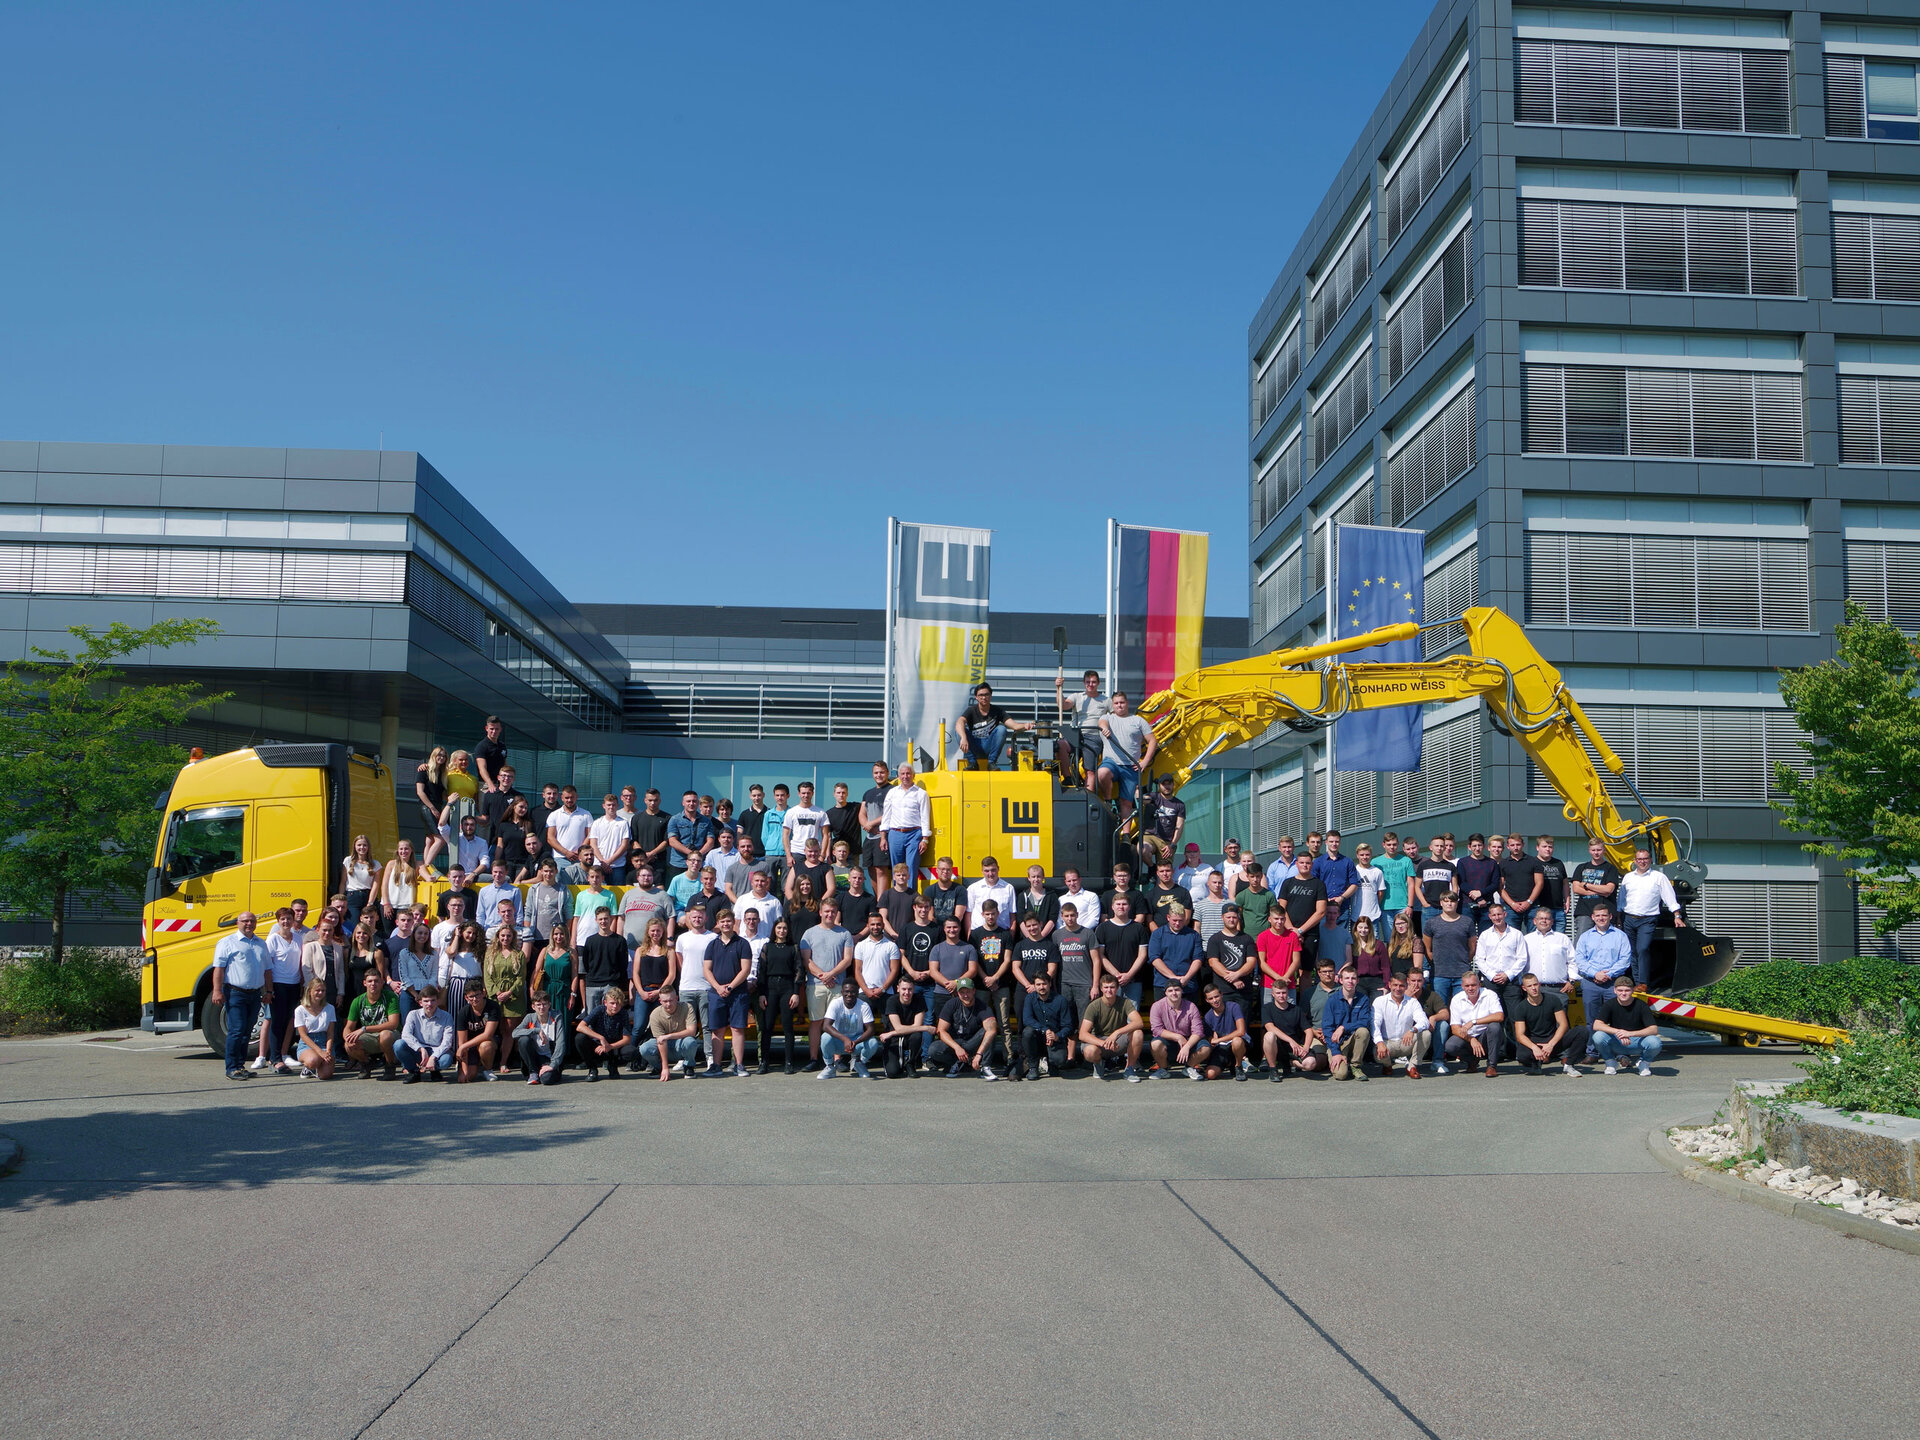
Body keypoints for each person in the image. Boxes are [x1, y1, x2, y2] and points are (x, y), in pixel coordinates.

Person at [1573, 904, 1634, 1061]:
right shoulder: (1585, 936)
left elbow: (1625, 959)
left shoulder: (1620, 936)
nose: (1601, 918)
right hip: (1590, 983)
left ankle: (1620, 1052)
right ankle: (1592, 1052)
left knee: (1617, 1018)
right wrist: (1595, 974)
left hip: (1613, 983)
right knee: (1591, 1020)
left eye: (1604, 915)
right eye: (1598, 916)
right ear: (1593, 918)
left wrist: (1609, 974)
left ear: (1610, 917)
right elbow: (1579, 959)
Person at [1618, 848, 1684, 987]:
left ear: (1650, 860)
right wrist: (1618, 917)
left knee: (1643, 949)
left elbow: (1669, 897)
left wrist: (1677, 915)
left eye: (1645, 859)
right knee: (1632, 952)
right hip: (1628, 918)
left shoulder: (1659, 877)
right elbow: (1621, 899)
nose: (1642, 862)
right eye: (1639, 859)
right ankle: (1636, 983)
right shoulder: (1628, 877)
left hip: (1647, 920)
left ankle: (1643, 983)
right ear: (1635, 861)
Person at [702, 908, 755, 1077]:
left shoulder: (743, 944)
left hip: (738, 993)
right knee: (717, 1030)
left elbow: (745, 969)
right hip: (716, 993)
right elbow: (706, 970)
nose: (726, 924)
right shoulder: (712, 944)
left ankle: (739, 1065)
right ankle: (716, 1066)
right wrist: (718, 987)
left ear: (734, 923)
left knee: (737, 1029)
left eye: (728, 921)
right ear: (718, 924)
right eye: (722, 921)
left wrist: (730, 986)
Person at [1204, 903, 1259, 1058]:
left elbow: (1251, 962)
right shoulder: (1215, 939)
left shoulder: (1246, 938)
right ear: (1223, 918)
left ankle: (1242, 1058)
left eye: (1234, 917)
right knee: (1223, 1025)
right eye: (1228, 917)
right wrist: (1233, 979)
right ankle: (1223, 1057)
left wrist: (1237, 974)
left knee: (1242, 1027)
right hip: (1223, 991)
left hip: (1243, 992)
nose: (1231, 920)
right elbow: (1213, 962)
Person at [1095, 690, 1155, 823]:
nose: (1119, 705)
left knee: (1126, 803)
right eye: (1116, 703)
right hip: (1112, 762)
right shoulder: (1107, 718)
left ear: (1127, 703)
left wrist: (1144, 762)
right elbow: (1101, 723)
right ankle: (1108, 801)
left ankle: (1126, 836)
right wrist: (1104, 729)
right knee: (1102, 773)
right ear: (1113, 705)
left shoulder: (1138, 721)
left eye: (1122, 702)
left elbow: (1152, 741)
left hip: (1130, 766)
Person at [1511, 971, 1586, 1076]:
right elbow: (1520, 1035)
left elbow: (1563, 1025)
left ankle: (1569, 1064)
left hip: (1553, 1040)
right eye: (1530, 986)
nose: (1533, 988)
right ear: (1524, 988)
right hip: (1535, 1041)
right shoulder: (1521, 1007)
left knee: (1582, 1031)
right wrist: (1534, 1048)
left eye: (1535, 984)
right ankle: (1535, 1064)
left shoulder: (1553, 1000)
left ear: (1539, 985)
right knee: (1522, 1055)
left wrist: (1551, 1044)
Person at [755, 915, 804, 1073]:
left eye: (784, 928)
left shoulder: (793, 947)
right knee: (766, 1026)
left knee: (787, 1026)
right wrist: (761, 994)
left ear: (788, 930)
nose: (782, 931)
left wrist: (796, 993)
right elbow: (761, 972)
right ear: (774, 929)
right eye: (779, 928)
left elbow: (798, 970)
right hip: (769, 988)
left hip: (787, 988)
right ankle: (764, 1062)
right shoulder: (767, 947)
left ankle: (789, 1062)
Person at [673, 903, 718, 1067]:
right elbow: (680, 962)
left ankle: (709, 1057)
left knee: (707, 1025)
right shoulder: (682, 938)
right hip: (686, 987)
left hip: (706, 987)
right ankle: (684, 1057)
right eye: (694, 917)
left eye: (700, 917)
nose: (697, 919)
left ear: (705, 918)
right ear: (689, 919)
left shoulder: (713, 937)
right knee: (685, 1026)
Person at [1592, 975, 1664, 1076]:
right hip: (1617, 1040)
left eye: (1627, 990)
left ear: (1632, 991)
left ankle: (1644, 1063)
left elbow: (1654, 1029)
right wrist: (1619, 1032)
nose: (1623, 993)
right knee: (1598, 1036)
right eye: (1620, 990)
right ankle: (1610, 1062)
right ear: (1615, 991)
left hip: (1636, 1041)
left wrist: (1630, 1033)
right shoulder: (1609, 1004)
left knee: (1655, 1042)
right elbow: (1596, 1025)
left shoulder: (1642, 1005)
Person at [930, 977, 1000, 1080]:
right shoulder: (951, 1004)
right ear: (958, 993)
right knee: (933, 1049)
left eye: (968, 992)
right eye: (962, 992)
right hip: (956, 1042)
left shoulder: (982, 1006)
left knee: (990, 1031)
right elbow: (940, 1030)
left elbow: (992, 1029)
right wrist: (957, 1048)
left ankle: (985, 1067)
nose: (965, 995)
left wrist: (979, 1054)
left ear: (974, 991)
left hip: (973, 1043)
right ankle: (957, 1063)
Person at [1078, 974, 1144, 1081]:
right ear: (1101, 989)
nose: (1109, 990)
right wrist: (1103, 1043)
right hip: (1099, 1041)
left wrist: (1116, 1033)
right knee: (1089, 1051)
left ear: (1117, 988)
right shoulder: (1093, 1006)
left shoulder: (1125, 1003)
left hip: (1117, 1041)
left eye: (1112, 987)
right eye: (1106, 987)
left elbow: (1139, 1022)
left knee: (1138, 1033)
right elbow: (1082, 1034)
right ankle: (1098, 1064)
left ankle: (1129, 1068)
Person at [954, 682, 1030, 770]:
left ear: (990, 696)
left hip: (989, 746)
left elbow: (1014, 725)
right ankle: (973, 763)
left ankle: (991, 763)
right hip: (974, 746)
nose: (984, 697)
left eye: (986, 694)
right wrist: (963, 737)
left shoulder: (997, 711)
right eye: (981, 695)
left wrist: (1025, 725)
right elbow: (960, 722)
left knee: (1001, 729)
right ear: (976, 697)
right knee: (959, 731)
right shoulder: (971, 710)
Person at [1369, 971, 1431, 1079]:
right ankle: (1387, 1065)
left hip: (1406, 1042)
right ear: (1389, 985)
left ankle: (1411, 1066)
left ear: (1406, 986)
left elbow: (1424, 1021)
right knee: (1377, 1053)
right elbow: (1374, 1024)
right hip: (1387, 1043)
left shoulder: (1413, 1002)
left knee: (1426, 1034)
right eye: (1395, 985)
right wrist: (1379, 1043)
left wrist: (1413, 1030)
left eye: (1402, 985)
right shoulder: (1379, 1001)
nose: (1398, 988)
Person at [1445, 970, 1506, 1078]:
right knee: (1451, 1046)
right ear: (1462, 986)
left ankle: (1492, 1066)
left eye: (1473, 985)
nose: (1470, 988)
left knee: (1495, 1027)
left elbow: (1499, 1016)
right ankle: (1472, 1061)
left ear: (1479, 984)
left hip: (1486, 1036)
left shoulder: (1490, 995)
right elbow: (1455, 1028)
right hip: (1467, 1038)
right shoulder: (1457, 999)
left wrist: (1473, 1022)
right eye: (1467, 985)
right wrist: (1471, 1039)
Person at [1474, 904, 1530, 1020]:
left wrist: (1507, 974)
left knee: (1515, 1017)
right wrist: (1492, 975)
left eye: (1499, 914)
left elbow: (1522, 958)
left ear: (1505, 914)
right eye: (1494, 915)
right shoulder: (1484, 935)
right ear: (1490, 916)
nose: (1497, 917)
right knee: (1493, 1016)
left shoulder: (1516, 934)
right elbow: (1479, 959)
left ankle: (1516, 1038)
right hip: (1491, 981)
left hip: (1511, 981)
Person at [343, 968, 401, 1079]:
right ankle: (366, 1064)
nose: (373, 984)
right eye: (370, 981)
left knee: (385, 1035)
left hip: (390, 1035)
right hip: (370, 1036)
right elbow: (348, 1027)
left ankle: (390, 1065)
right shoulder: (358, 1001)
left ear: (382, 982)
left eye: (376, 981)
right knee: (348, 1045)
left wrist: (364, 1029)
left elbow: (393, 1024)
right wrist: (347, 1038)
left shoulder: (390, 997)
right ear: (364, 983)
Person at [1319, 964, 1374, 1081]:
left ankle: (1356, 1066)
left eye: (1353, 978)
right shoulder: (1332, 1000)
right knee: (1341, 1075)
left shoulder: (1363, 999)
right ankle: (1341, 1061)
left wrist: (1343, 1027)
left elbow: (1365, 1022)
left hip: (1354, 1040)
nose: (1350, 981)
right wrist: (1335, 1052)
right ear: (1340, 980)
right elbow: (1327, 1029)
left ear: (1357, 980)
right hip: (1337, 1043)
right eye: (1347, 978)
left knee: (1363, 1032)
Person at [1422, 891, 1477, 1007]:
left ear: (1457, 903)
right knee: (1440, 1008)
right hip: (1439, 974)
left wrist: (1465, 960)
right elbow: (1427, 948)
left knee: (1463, 1007)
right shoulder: (1432, 923)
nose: (1449, 904)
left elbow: (1472, 947)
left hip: (1462, 974)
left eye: (1452, 901)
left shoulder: (1467, 922)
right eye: (1446, 901)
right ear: (1441, 903)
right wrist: (1434, 960)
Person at [879, 761, 932, 879]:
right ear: (898, 776)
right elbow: (886, 816)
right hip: (895, 834)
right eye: (902, 774)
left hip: (914, 834)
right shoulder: (892, 793)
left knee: (911, 867)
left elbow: (925, 816)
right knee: (896, 868)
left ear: (913, 775)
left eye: (908, 773)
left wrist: (925, 839)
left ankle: (911, 897)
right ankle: (896, 896)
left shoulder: (921, 794)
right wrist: (883, 837)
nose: (905, 776)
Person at [1055, 667, 1108, 782]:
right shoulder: (1077, 697)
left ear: (1098, 683)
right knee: (1060, 744)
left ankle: (1088, 797)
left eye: (1093, 682)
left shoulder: (1106, 700)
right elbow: (1063, 706)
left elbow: (1116, 717)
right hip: (1075, 733)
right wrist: (1058, 688)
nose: (1091, 684)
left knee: (1090, 770)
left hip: (1094, 736)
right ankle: (1067, 777)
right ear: (1084, 683)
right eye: (1088, 682)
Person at [820, 977, 880, 1079]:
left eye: (853, 992)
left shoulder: (863, 1006)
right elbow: (826, 1026)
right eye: (846, 991)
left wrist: (855, 1042)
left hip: (856, 1042)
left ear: (857, 992)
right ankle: (830, 1066)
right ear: (842, 991)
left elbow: (871, 1030)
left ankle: (859, 1063)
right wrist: (844, 1039)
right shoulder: (836, 1003)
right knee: (825, 1037)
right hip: (839, 1041)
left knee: (873, 1042)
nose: (849, 995)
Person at [1020, 971, 1076, 1079]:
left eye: (1044, 984)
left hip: (1054, 1039)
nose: (1041, 987)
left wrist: (1057, 1036)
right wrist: (1045, 1030)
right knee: (1027, 1032)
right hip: (1037, 1038)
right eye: (1038, 984)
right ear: (1034, 986)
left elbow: (1068, 1025)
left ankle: (1052, 1064)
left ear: (1050, 984)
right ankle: (1033, 1067)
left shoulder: (1061, 1000)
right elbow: (1027, 1019)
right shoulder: (1029, 999)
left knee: (1059, 1060)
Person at [1277, 853, 1327, 972]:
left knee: (1306, 971)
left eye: (1308, 863)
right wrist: (1291, 930)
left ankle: (1305, 992)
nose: (1305, 865)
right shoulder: (1287, 883)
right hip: (1287, 932)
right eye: (1302, 862)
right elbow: (1281, 909)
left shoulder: (1318, 884)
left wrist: (1300, 931)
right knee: (1285, 968)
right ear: (1296, 864)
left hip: (1310, 934)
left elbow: (1321, 912)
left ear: (1312, 865)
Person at [573, 987, 635, 1080]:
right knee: (580, 1038)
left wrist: (609, 1046)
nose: (615, 1006)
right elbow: (580, 1027)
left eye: (618, 1003)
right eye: (612, 1003)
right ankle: (592, 1069)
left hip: (613, 1047)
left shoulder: (623, 1013)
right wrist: (601, 1038)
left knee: (632, 1051)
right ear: (605, 1003)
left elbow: (627, 1039)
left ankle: (612, 1065)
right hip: (597, 1046)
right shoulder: (599, 1010)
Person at [577, 907, 628, 1019]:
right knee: (592, 1018)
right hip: (592, 984)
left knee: (611, 1017)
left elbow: (623, 964)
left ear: (610, 919)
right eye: (600, 919)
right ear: (596, 920)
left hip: (611, 984)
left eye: (606, 918)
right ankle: (593, 1037)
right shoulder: (590, 940)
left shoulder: (620, 941)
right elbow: (586, 963)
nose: (603, 921)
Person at [638, 986, 700, 1080]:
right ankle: (658, 1067)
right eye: (665, 1001)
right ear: (660, 1001)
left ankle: (688, 1066)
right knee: (644, 1048)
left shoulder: (687, 1007)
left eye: (671, 1000)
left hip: (681, 1043)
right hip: (663, 1044)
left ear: (676, 998)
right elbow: (661, 1041)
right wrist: (665, 1068)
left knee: (690, 1042)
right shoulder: (655, 1014)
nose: (668, 1004)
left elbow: (691, 1031)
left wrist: (669, 1036)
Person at [1147, 979, 1204, 1079]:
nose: (1174, 993)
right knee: (1155, 1044)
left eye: (1177, 990)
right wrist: (1178, 1037)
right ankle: (1163, 1069)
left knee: (1205, 1047)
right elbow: (1157, 1030)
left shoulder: (1191, 1006)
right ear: (1165, 993)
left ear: (1182, 991)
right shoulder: (1157, 1006)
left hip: (1188, 1040)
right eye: (1170, 990)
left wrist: (1187, 1046)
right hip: (1168, 1041)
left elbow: (1198, 1031)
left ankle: (1189, 1068)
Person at [397, 985, 456, 1082]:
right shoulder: (413, 1014)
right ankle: (414, 1072)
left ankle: (435, 1071)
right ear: (420, 1002)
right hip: (419, 1051)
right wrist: (420, 1049)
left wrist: (433, 1057)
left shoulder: (446, 1016)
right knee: (399, 1045)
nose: (429, 1004)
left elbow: (447, 1042)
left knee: (446, 1060)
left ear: (437, 1001)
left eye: (433, 1000)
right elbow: (406, 1035)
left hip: (437, 1051)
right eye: (426, 1001)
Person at [927, 914, 979, 1020]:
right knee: (943, 1024)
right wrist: (949, 985)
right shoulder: (937, 948)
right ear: (944, 929)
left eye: (955, 927)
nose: (952, 930)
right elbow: (933, 971)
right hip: (941, 993)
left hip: (963, 993)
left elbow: (973, 970)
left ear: (959, 928)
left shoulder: (969, 948)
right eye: (949, 927)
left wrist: (956, 983)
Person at [1148, 903, 1204, 998]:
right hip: (1163, 985)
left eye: (1181, 920)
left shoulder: (1193, 935)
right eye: (1174, 920)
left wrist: (1187, 977)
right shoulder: (1158, 934)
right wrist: (1173, 977)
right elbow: (1155, 959)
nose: (1177, 924)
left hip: (1188, 985)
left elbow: (1198, 959)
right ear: (1168, 917)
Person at [1053, 899, 1096, 1023]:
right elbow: (1054, 962)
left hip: (1084, 984)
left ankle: (1085, 1042)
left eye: (1072, 915)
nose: (1070, 918)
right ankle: (1068, 1043)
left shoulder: (1088, 933)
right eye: (1066, 916)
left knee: (1085, 1021)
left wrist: (1095, 985)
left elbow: (1096, 961)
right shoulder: (1057, 935)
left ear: (1077, 915)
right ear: (1062, 917)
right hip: (1064, 984)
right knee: (1067, 1021)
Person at [1569, 839, 1622, 939]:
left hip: (1605, 911)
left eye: (1599, 850)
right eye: (1593, 850)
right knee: (1582, 939)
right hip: (1584, 911)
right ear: (1589, 850)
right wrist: (1599, 890)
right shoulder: (1581, 867)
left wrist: (1586, 885)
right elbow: (1575, 888)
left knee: (1606, 940)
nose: (1596, 853)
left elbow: (1609, 889)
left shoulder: (1611, 868)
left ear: (1604, 850)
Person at [1197, 980, 1249, 1081]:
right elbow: (1210, 1039)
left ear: (1221, 995)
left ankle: (1238, 1067)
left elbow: (1241, 1031)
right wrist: (1212, 1040)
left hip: (1238, 1043)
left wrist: (1219, 1040)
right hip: (1222, 1048)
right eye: (1211, 998)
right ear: (1207, 1000)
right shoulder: (1208, 1017)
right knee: (1210, 1075)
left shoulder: (1234, 1007)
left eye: (1216, 996)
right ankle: (1229, 1063)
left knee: (1237, 1041)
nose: (1215, 1000)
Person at [1521, 904, 1577, 998]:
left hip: (1559, 990)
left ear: (1552, 921)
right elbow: (1520, 962)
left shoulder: (1562, 938)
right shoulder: (1526, 940)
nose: (1544, 921)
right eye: (1541, 918)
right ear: (1535, 921)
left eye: (1547, 919)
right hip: (1534, 990)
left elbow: (1572, 961)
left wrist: (1572, 981)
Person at [881, 975, 932, 1077]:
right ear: (898, 989)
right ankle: (896, 1062)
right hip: (894, 1040)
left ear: (914, 989)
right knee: (893, 1073)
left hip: (907, 1036)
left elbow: (917, 1025)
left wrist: (891, 1033)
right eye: (904, 989)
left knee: (917, 1035)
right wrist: (925, 1028)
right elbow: (899, 1028)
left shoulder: (919, 999)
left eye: (910, 989)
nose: (907, 993)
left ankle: (910, 1063)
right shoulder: (892, 1001)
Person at [513, 992, 568, 1085]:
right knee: (523, 1040)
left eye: (544, 1004)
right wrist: (536, 1030)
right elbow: (514, 1033)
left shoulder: (557, 1017)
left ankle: (547, 1072)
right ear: (533, 1006)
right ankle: (533, 1072)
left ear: (549, 1005)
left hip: (550, 1058)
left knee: (546, 1080)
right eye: (538, 1005)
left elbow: (561, 1043)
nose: (542, 1007)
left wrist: (552, 1065)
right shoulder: (529, 1017)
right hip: (535, 1058)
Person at [454, 981, 504, 1081]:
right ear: (466, 998)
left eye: (477, 995)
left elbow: (487, 1035)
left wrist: (463, 1046)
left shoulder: (493, 1007)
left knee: (485, 1045)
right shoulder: (463, 1012)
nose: (475, 999)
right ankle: (474, 1066)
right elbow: (462, 1042)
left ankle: (487, 1069)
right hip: (470, 1046)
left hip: (489, 1042)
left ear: (483, 993)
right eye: (471, 996)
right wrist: (464, 1071)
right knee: (465, 1077)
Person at [1405, 968, 1450, 1074]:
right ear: (1408, 981)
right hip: (1409, 1034)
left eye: (1419, 981)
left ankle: (1438, 1061)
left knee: (1443, 1025)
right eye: (1413, 981)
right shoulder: (1401, 995)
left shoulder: (1431, 995)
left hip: (1428, 1032)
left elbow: (1445, 1014)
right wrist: (1408, 997)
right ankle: (1406, 1058)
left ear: (1423, 981)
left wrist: (1433, 1018)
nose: (1416, 984)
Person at [291, 978, 336, 1080]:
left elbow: (330, 1033)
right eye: (317, 990)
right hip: (307, 1043)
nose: (320, 993)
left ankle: (320, 1067)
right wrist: (320, 1052)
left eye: (323, 990)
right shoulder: (300, 1010)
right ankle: (308, 1067)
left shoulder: (330, 1008)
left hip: (324, 1041)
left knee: (325, 1075)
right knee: (313, 1060)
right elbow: (303, 1035)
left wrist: (328, 1050)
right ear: (310, 991)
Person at [545, 785, 592, 883]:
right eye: (567, 798)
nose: (569, 800)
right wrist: (566, 852)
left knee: (580, 887)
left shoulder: (586, 814)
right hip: (560, 858)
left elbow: (590, 835)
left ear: (576, 797)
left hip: (579, 859)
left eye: (572, 797)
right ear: (562, 798)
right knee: (560, 888)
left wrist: (579, 851)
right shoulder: (554, 815)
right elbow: (550, 838)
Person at [415, 748, 451, 868]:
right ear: (433, 756)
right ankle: (426, 867)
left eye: (444, 756)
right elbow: (420, 792)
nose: (441, 757)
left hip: (438, 805)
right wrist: (432, 808)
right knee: (440, 839)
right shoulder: (424, 771)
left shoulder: (442, 774)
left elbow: (441, 793)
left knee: (430, 839)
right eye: (439, 755)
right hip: (427, 807)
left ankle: (425, 867)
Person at [1374, 831, 1416, 931]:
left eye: (1394, 844)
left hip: (1403, 906)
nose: (1392, 847)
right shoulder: (1375, 862)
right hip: (1384, 906)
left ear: (1398, 845)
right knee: (1389, 939)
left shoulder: (1406, 860)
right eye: (1389, 844)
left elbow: (1411, 884)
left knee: (1404, 938)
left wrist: (1410, 905)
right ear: (1383, 845)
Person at [1413, 838, 1457, 935]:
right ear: (1430, 847)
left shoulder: (1450, 866)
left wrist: (1451, 903)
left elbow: (1455, 887)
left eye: (1442, 846)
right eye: (1437, 846)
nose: (1439, 848)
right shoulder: (1423, 866)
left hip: (1445, 908)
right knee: (1427, 939)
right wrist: (1424, 903)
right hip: (1429, 908)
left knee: (1446, 936)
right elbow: (1417, 887)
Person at [535, 921, 575, 1018]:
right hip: (547, 989)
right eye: (556, 934)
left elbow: (575, 975)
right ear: (552, 935)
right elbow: (536, 971)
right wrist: (532, 989)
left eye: (562, 934)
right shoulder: (545, 951)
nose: (559, 937)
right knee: (546, 1019)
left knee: (563, 1019)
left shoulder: (571, 952)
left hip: (564, 991)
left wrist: (573, 994)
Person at [966, 857, 1015, 933]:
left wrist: (1011, 936)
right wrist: (969, 935)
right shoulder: (973, 888)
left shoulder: (1008, 888)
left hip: (1002, 933)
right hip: (978, 934)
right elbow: (968, 914)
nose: (990, 874)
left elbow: (1012, 915)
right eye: (986, 871)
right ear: (982, 871)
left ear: (998, 869)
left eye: (993, 870)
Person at [340, 834, 378, 932]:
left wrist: (370, 903)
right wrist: (341, 898)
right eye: (359, 845)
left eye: (364, 845)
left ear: (368, 847)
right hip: (352, 896)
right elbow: (343, 882)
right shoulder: (348, 861)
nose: (362, 847)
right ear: (355, 846)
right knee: (353, 926)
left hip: (368, 896)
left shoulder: (375, 864)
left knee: (369, 927)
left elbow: (375, 885)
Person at [1349, 916, 1388, 996]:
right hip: (1359, 982)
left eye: (1366, 928)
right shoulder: (1352, 945)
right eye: (1360, 927)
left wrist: (1387, 986)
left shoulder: (1378, 945)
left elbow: (1386, 967)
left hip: (1376, 981)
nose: (1363, 930)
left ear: (1370, 929)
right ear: (1356, 928)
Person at [1016, 864, 1057, 937]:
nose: (1036, 879)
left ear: (1043, 877)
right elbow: (1020, 920)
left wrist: (1041, 936)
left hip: (1046, 938)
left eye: (1038, 876)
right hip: (1027, 939)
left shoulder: (1051, 896)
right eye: (1033, 876)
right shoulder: (1022, 896)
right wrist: (1030, 938)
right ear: (1029, 878)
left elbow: (1052, 919)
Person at [1193, 869, 1231, 940]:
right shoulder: (1200, 905)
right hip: (1206, 947)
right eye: (1214, 882)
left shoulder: (1230, 904)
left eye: (1219, 882)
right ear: (1208, 883)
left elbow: (1235, 927)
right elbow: (1197, 928)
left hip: (1226, 946)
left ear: (1223, 884)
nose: (1217, 885)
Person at [1385, 912, 1423, 981]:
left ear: (1408, 924)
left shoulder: (1416, 941)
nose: (1400, 926)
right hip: (1396, 980)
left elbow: (1418, 967)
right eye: (1397, 924)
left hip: (1408, 981)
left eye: (1402, 923)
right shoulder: (1392, 943)